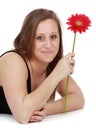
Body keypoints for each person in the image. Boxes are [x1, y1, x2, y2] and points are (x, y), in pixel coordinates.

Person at [0, 8, 84, 123]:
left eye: (53, 37)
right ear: (27, 39)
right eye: (40, 38)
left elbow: (78, 98)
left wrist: (46, 109)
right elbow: (23, 115)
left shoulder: (51, 65)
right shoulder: (12, 61)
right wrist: (56, 75)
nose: (49, 45)